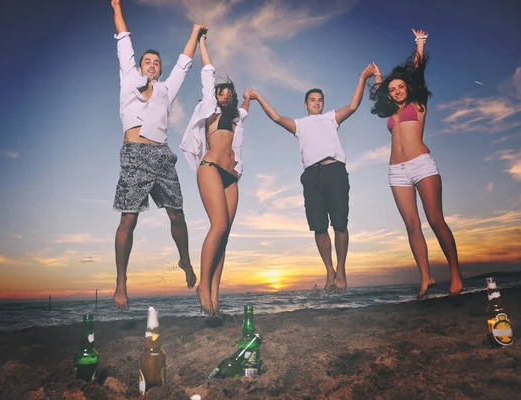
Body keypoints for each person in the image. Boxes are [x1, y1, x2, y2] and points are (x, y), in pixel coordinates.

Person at [110, 0, 205, 310]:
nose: (151, 64)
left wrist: (194, 32)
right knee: (129, 219)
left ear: (159, 69)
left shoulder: (166, 89)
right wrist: (116, 7)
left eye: (155, 62)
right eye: (146, 61)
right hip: (135, 155)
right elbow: (124, 41)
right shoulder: (129, 79)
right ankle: (121, 281)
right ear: (140, 66)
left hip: (162, 156)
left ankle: (185, 261)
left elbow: (184, 63)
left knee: (176, 212)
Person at [249, 64, 376, 294]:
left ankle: (342, 269)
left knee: (340, 224)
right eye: (312, 100)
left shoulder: (331, 118)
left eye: (320, 100)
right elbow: (276, 117)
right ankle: (329, 270)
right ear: (305, 104)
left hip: (334, 170)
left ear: (323, 104)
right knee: (319, 227)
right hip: (311, 176)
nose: (317, 103)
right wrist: (258, 97)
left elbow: (354, 105)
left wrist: (362, 78)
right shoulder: (300, 125)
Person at [369, 29, 463, 298]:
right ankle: (426, 277)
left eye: (400, 87)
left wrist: (420, 44)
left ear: (407, 87)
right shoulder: (391, 110)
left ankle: (455, 272)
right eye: (392, 89)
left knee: (435, 219)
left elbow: (418, 71)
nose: (397, 91)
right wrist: (377, 77)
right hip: (396, 171)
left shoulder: (418, 102)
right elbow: (379, 96)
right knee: (412, 226)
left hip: (422, 164)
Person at [180, 32, 251, 316]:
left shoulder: (235, 117)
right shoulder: (209, 110)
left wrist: (248, 99)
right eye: (221, 93)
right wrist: (202, 43)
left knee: (225, 235)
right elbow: (208, 74)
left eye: (228, 93)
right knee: (218, 227)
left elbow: (243, 110)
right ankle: (202, 286)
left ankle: (215, 298)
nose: (224, 96)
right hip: (209, 168)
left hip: (230, 176)